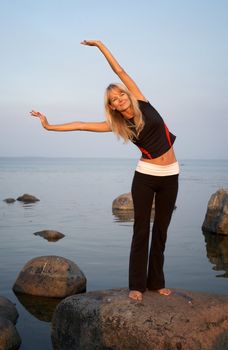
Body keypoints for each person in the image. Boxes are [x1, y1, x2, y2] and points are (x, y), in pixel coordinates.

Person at [30, 40, 179, 301]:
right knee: (141, 230)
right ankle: (136, 285)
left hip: (171, 175)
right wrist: (48, 126)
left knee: (162, 231)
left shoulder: (142, 102)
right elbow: (80, 125)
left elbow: (120, 71)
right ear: (111, 106)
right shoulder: (116, 124)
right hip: (145, 177)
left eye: (121, 95)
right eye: (114, 100)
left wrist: (100, 46)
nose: (120, 99)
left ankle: (156, 282)